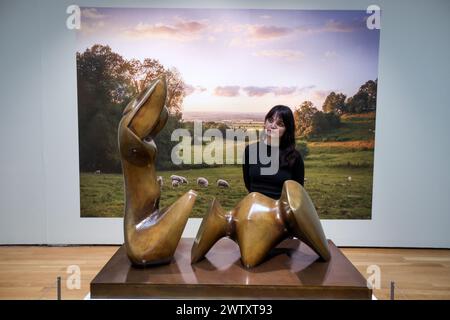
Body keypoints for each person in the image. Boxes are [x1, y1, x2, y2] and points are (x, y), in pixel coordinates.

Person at [242, 105, 304, 199]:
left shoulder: (294, 157)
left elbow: (297, 191)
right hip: (254, 208)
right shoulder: (250, 151)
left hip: (280, 211)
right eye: (270, 120)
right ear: (265, 122)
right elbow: (248, 184)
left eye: (280, 124)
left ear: (287, 130)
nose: (273, 125)